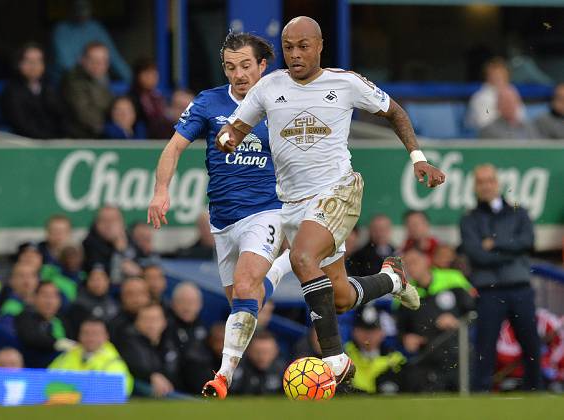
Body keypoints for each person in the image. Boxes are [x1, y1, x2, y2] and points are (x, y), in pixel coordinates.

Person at [216, 16, 445, 389]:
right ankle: (392, 278)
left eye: (302, 46)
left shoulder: (346, 83)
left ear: (320, 46)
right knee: (338, 298)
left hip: (339, 190)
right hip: (293, 204)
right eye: (288, 47)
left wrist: (419, 159)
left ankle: (335, 359)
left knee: (301, 258)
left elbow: (394, 112)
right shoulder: (269, 87)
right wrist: (226, 137)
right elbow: (236, 129)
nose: (294, 54)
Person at [147, 32, 293, 398]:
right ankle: (286, 264)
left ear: (262, 65)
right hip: (223, 220)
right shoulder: (209, 103)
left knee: (245, 288)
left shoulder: (283, 103)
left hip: (267, 211)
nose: (238, 74)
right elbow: (174, 147)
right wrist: (161, 190)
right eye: (230, 67)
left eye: (246, 65)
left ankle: (223, 375)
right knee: (244, 302)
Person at [460, 163, 541, 391]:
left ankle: (537, 391)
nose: (486, 186)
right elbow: (477, 256)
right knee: (485, 347)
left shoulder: (518, 211)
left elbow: (528, 242)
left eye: (489, 180)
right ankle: (480, 395)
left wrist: (494, 244)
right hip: (489, 291)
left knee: (531, 345)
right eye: (480, 182)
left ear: (498, 183)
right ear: (475, 187)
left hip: (520, 289)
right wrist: (511, 252)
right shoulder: (469, 219)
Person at [397, 248, 476, 393]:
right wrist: (405, 338)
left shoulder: (453, 278)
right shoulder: (404, 294)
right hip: (426, 357)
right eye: (406, 265)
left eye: (414, 262)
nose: (410, 268)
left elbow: (473, 312)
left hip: (457, 353)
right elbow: (400, 328)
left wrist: (456, 321)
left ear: (426, 261)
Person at [51, 0, 131, 82]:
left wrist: (130, 78)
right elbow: (65, 63)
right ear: (71, 8)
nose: (82, 11)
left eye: (85, 7)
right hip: (67, 79)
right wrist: (89, 75)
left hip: (95, 78)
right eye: (79, 7)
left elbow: (114, 57)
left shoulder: (95, 28)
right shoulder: (61, 30)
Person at [49, 318, 133, 396]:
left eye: (95, 333)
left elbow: (117, 392)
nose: (90, 337)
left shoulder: (114, 362)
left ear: (106, 336)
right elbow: (47, 382)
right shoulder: (65, 357)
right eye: (86, 333)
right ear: (79, 335)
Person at [0, 43, 67, 139]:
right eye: (29, 61)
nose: (34, 66)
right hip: (26, 145)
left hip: (55, 143)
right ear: (19, 64)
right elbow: (21, 125)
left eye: (38, 61)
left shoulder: (50, 87)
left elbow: (62, 117)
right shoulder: (11, 92)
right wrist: (48, 139)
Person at [116, 304, 183, 397]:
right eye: (146, 319)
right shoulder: (129, 342)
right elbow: (135, 365)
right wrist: (152, 375)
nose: (151, 324)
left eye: (155, 319)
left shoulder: (171, 342)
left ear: (164, 322)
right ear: (137, 323)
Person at [345, 305, 405, 394]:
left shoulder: (396, 361)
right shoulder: (343, 358)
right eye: (363, 330)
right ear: (354, 332)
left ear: (382, 333)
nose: (368, 336)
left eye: (373, 331)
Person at [15, 282, 75, 368]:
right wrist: (57, 343)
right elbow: (31, 338)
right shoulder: (25, 317)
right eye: (45, 296)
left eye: (53, 296)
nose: (49, 301)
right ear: (34, 298)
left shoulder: (63, 321)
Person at [62, 42, 114, 139]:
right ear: (83, 60)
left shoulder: (103, 79)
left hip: (99, 136)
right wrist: (111, 126)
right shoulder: (73, 81)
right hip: (79, 139)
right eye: (93, 60)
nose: (98, 65)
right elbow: (85, 115)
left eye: (103, 61)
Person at [82, 206, 142, 283]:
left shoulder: (130, 240)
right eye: (104, 220)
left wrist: (140, 272)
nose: (109, 225)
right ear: (96, 224)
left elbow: (140, 263)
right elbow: (112, 278)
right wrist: (119, 251)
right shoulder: (89, 244)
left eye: (113, 220)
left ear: (122, 223)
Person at [467, 57, 525, 130]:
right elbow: (484, 125)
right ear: (488, 77)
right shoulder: (480, 97)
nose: (499, 79)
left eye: (502, 75)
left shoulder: (512, 91)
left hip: (511, 134)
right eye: (495, 75)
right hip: (485, 137)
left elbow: (521, 118)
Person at [230, 330, 286, 395]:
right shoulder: (236, 369)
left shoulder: (283, 371)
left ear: (276, 352)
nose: (261, 357)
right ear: (248, 351)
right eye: (257, 352)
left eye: (266, 352)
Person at [66, 265, 119, 333]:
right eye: (93, 279)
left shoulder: (113, 303)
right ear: (87, 282)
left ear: (107, 281)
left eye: (100, 279)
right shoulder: (79, 305)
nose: (97, 283)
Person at [129, 58, 173, 139]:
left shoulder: (158, 98)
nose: (151, 77)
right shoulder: (131, 99)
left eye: (154, 73)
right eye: (147, 73)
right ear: (138, 75)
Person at [108, 277, 151, 341]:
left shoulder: (162, 317)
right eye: (130, 294)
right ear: (122, 297)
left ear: (148, 296)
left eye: (140, 293)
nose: (136, 298)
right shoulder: (115, 326)